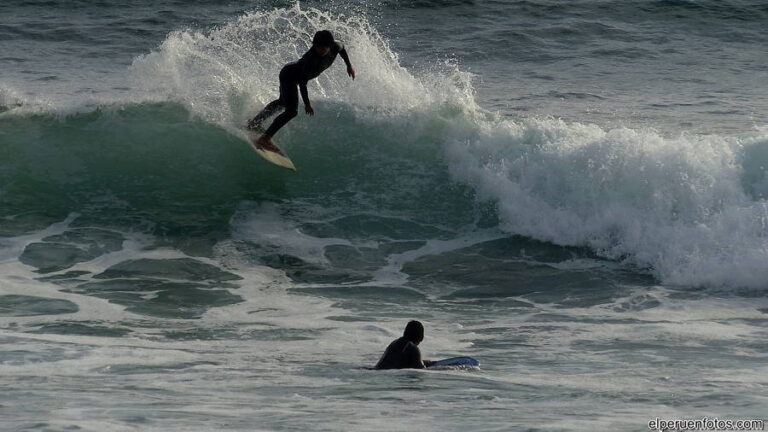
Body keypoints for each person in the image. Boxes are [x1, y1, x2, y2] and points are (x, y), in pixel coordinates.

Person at [247, 30, 355, 152]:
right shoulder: (310, 60)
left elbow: (343, 49)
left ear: (330, 46)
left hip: (292, 74)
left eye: (323, 48)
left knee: (282, 102)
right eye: (317, 47)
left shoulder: (336, 46)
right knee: (292, 111)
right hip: (289, 77)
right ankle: (264, 139)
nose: (320, 50)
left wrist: (349, 66)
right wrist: (307, 104)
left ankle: (254, 123)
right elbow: (303, 84)